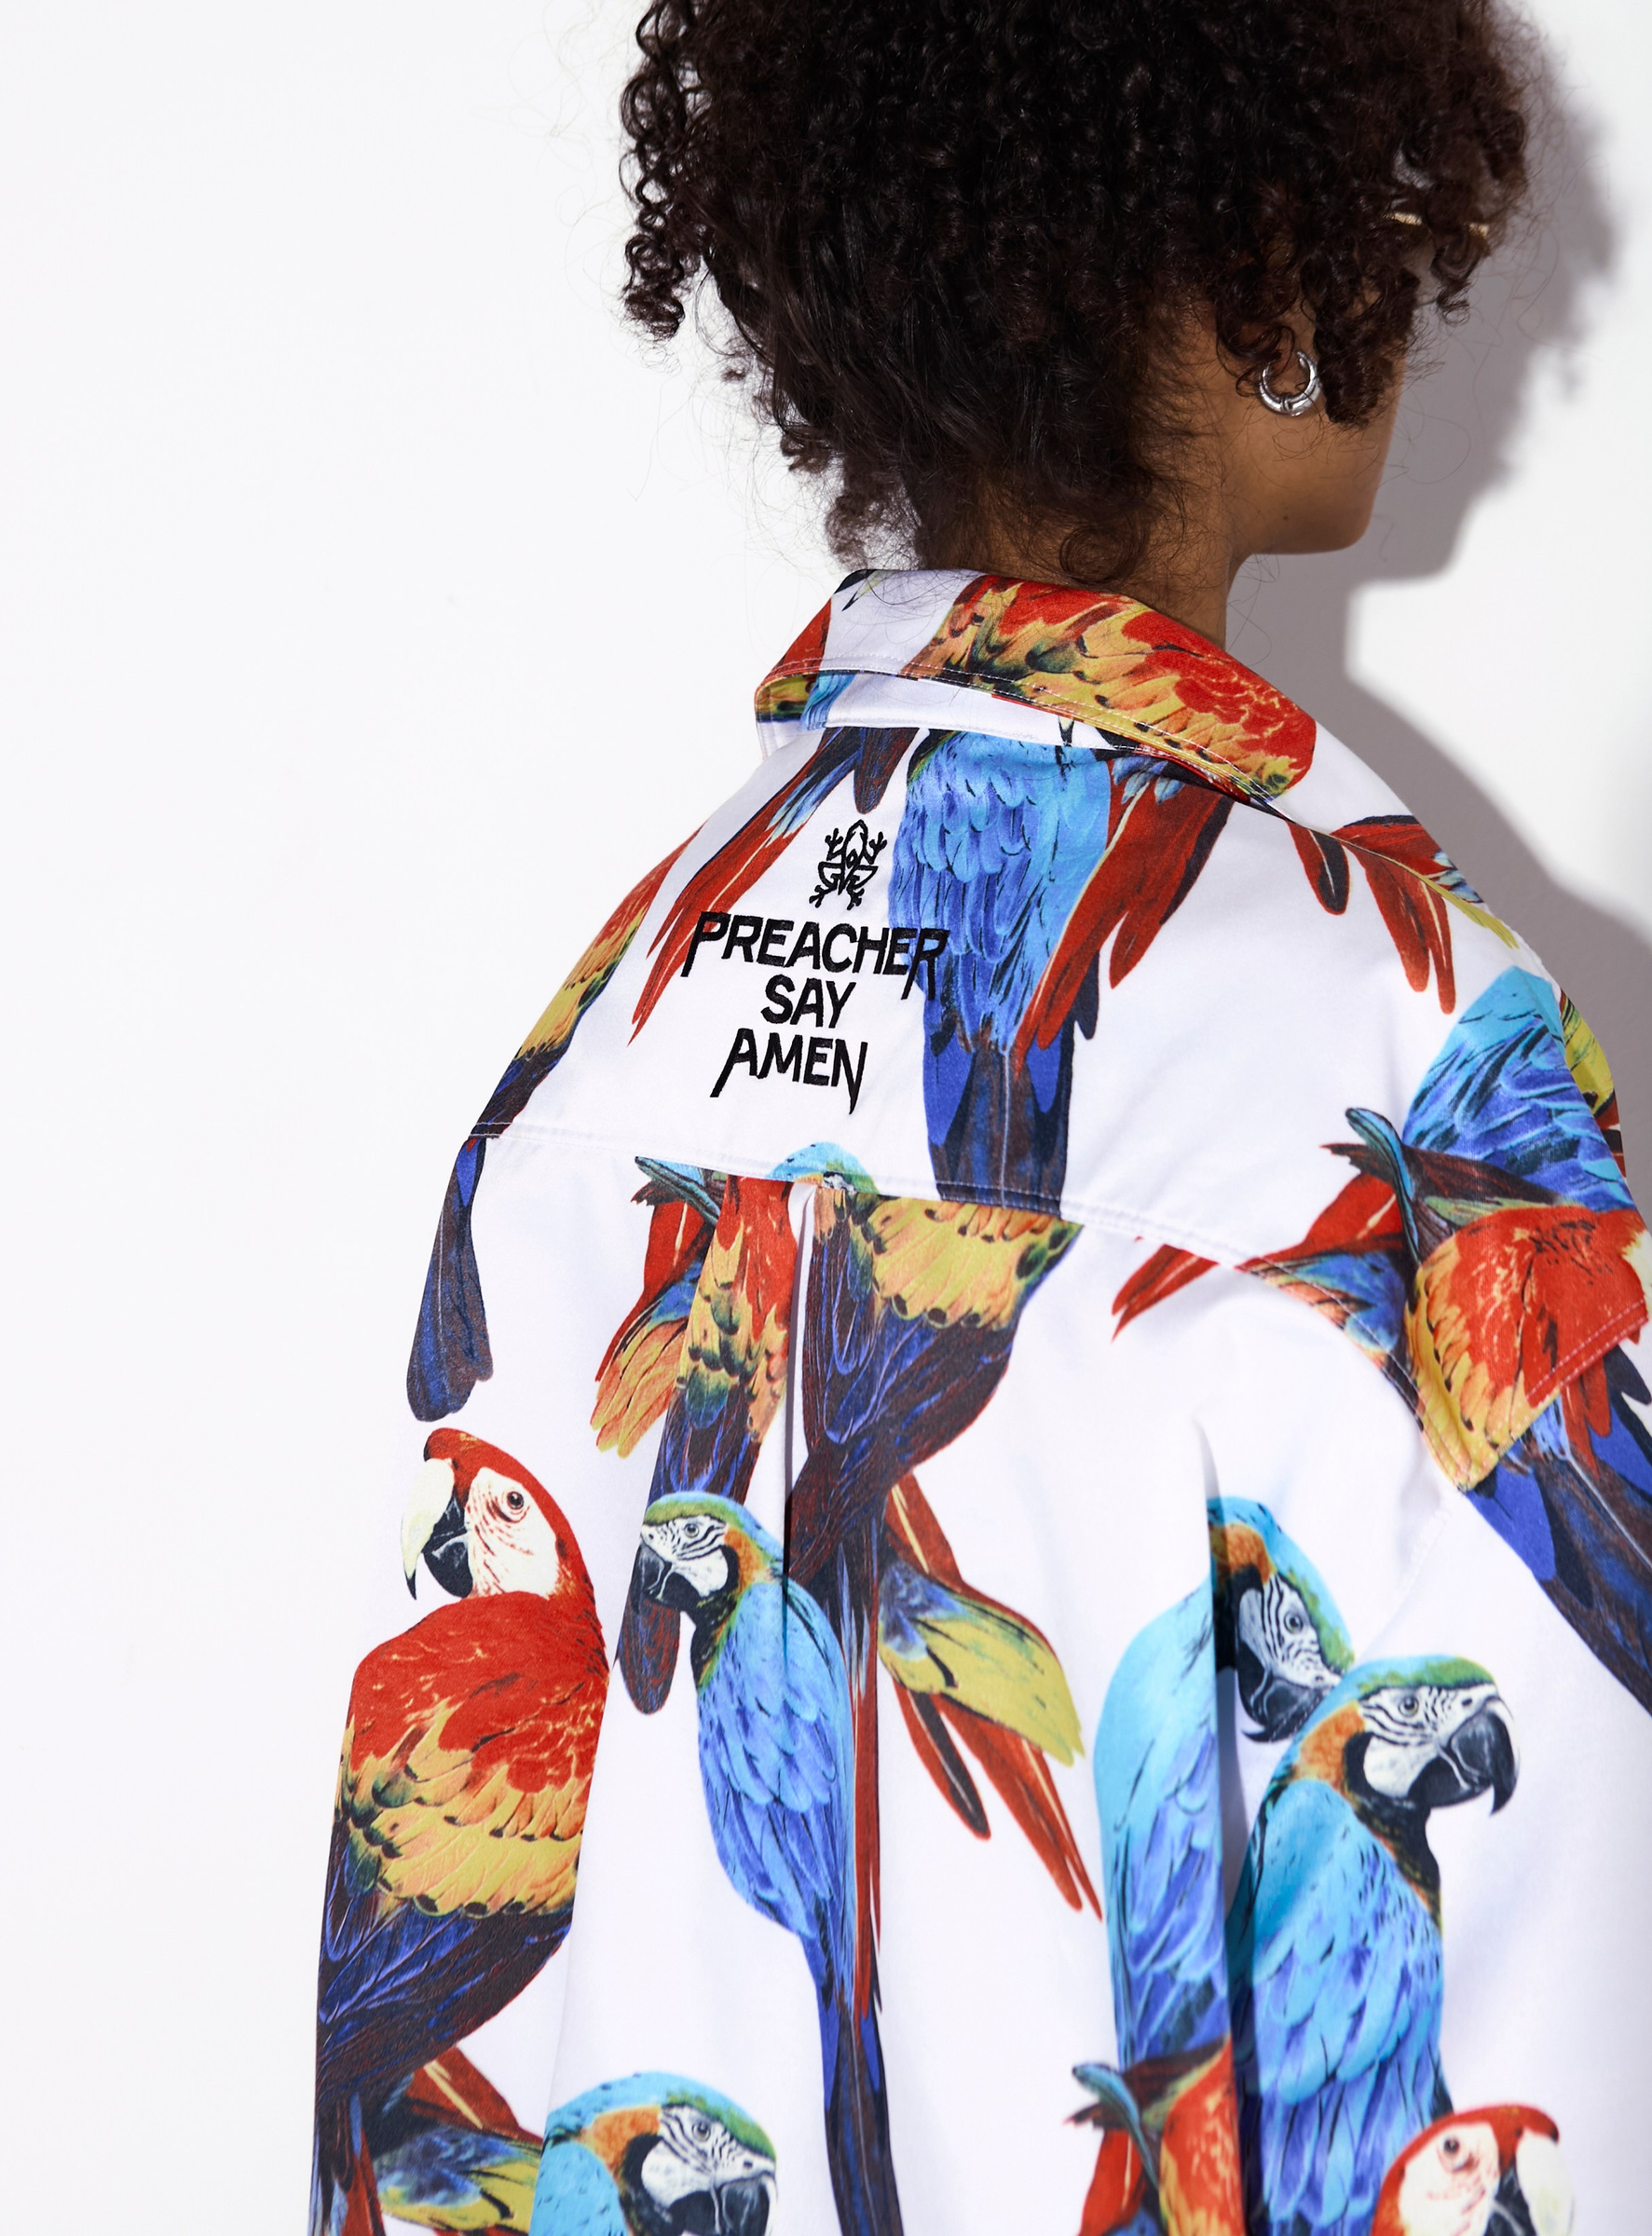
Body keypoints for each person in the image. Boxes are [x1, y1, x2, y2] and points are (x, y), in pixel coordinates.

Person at [310, 5, 1648, 2232]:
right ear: (1272, 267)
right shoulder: (1403, 1044)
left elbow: (419, 2074)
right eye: (1383, 218)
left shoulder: (610, 1025)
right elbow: (1559, 1982)